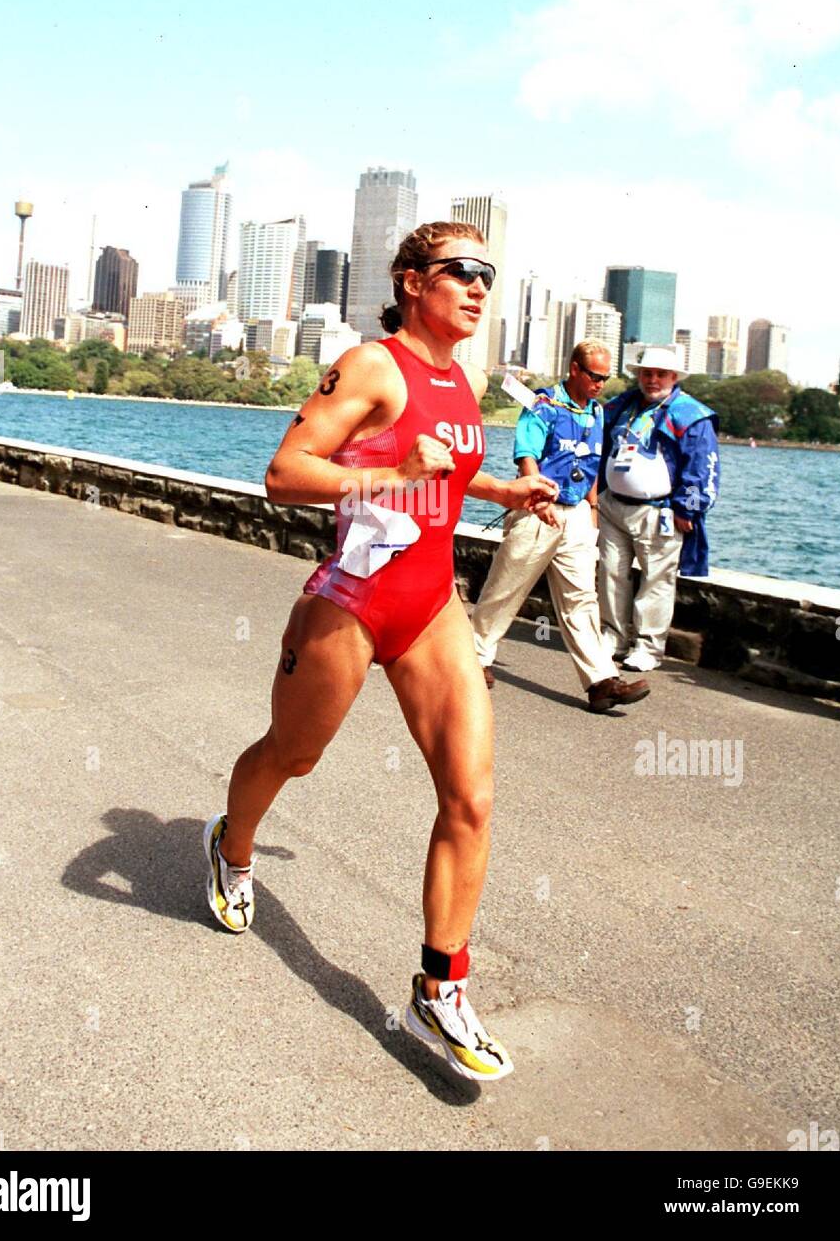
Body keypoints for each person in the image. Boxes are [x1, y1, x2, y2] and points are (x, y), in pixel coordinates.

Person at [204, 221, 558, 1082]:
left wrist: (504, 485)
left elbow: (444, 465)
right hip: (353, 600)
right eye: (460, 272)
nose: (479, 287)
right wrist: (393, 477)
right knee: (294, 753)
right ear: (409, 281)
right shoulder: (371, 365)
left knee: (470, 798)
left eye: (488, 274)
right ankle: (230, 845)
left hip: (432, 604)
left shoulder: (458, 376)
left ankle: (438, 994)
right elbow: (287, 472)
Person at [471, 341, 650, 713]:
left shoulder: (597, 413)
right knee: (506, 589)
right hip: (538, 508)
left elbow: (594, 464)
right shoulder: (543, 405)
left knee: (581, 599)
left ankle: (601, 681)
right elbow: (526, 454)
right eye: (595, 376)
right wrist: (538, 500)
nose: (601, 383)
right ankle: (475, 659)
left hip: (577, 515)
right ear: (574, 369)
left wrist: (594, 509)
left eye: (605, 377)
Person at [597, 345, 720, 671]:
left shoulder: (691, 415)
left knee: (656, 581)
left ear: (674, 377)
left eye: (660, 374)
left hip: (659, 512)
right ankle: (612, 636)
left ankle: (648, 648)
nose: (652, 380)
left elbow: (702, 468)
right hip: (613, 507)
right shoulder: (622, 406)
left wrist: (689, 510)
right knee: (610, 573)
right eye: (647, 373)